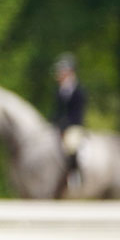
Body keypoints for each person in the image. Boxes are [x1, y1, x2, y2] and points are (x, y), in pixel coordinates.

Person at [52, 54, 86, 189]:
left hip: (74, 126)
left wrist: (65, 124)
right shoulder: (60, 90)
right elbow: (57, 111)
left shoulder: (78, 91)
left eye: (62, 70)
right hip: (61, 126)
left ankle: (74, 175)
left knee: (71, 145)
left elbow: (78, 112)